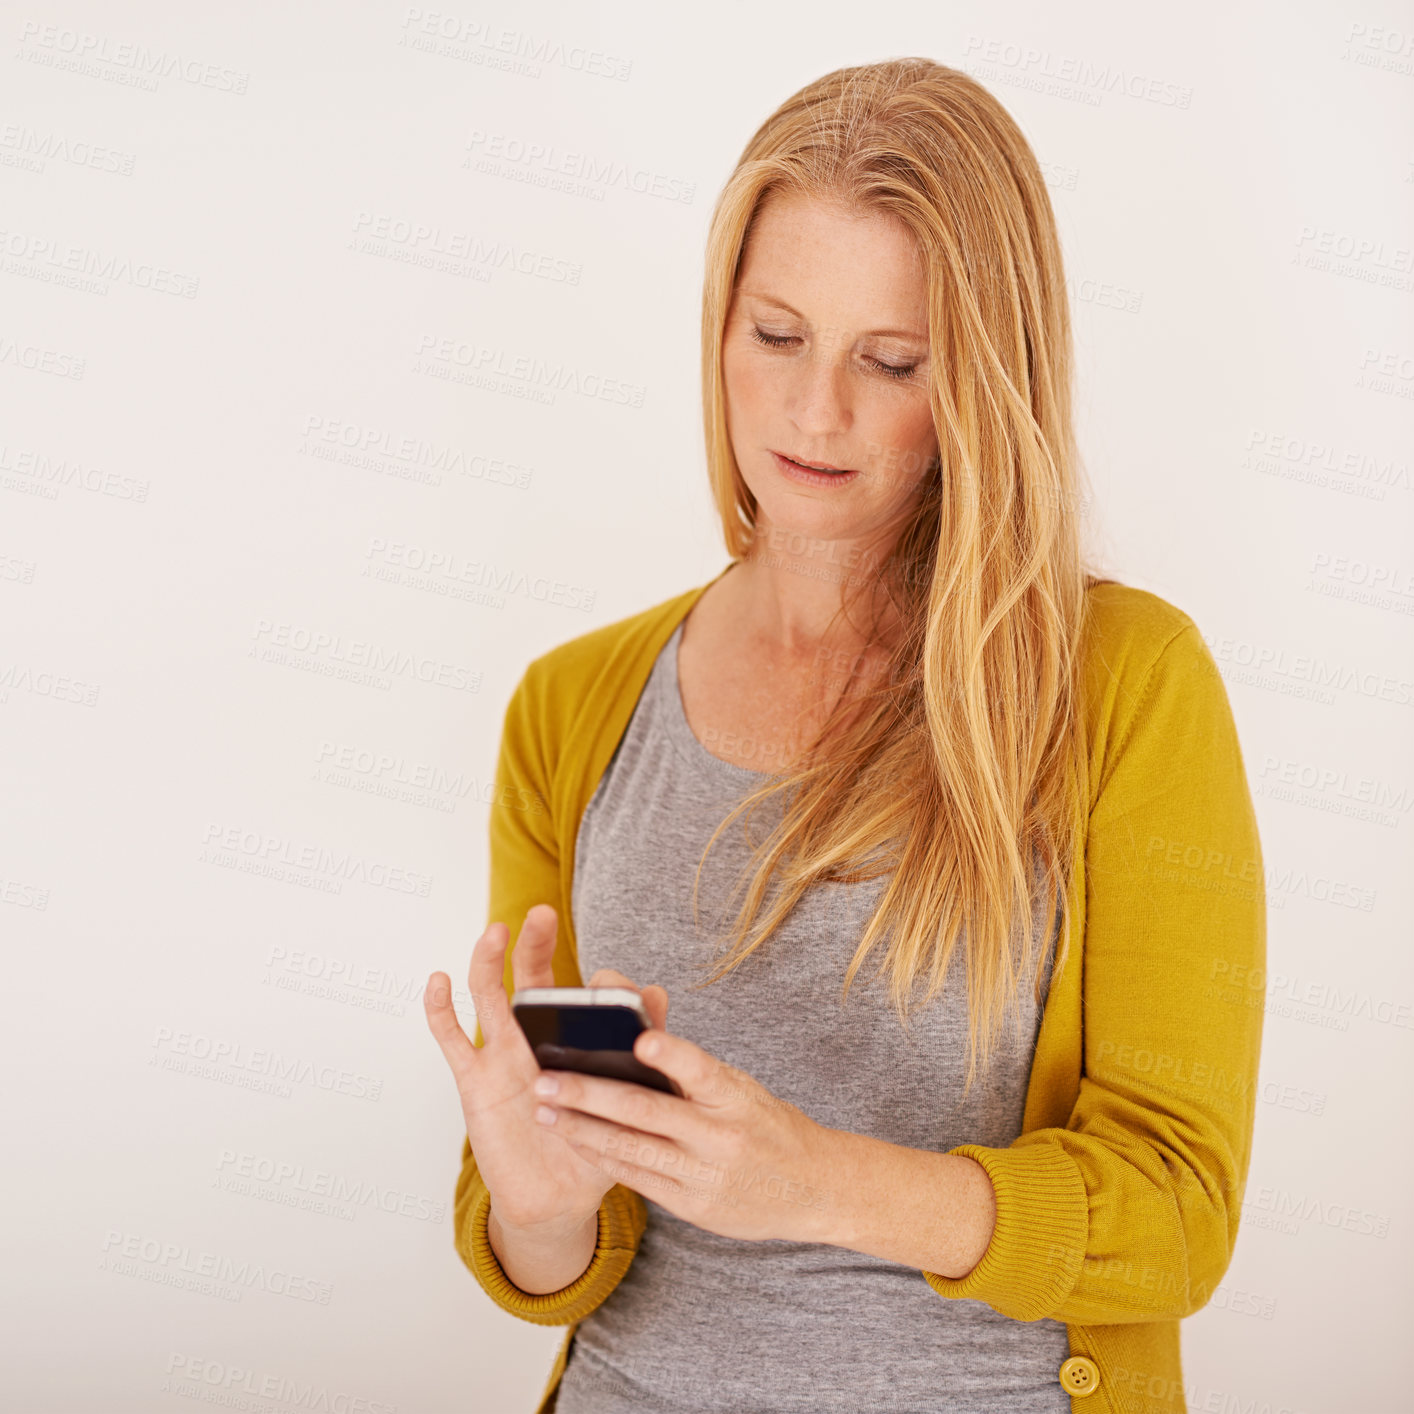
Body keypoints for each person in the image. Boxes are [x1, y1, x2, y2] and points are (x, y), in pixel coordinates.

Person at [424, 57, 1265, 1414]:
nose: (816, 412)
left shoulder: (1128, 684)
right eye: (773, 335)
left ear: (984, 381)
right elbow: (557, 1261)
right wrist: (537, 1197)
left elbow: (1175, 1212)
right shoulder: (570, 708)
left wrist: (817, 1181)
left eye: (890, 362)